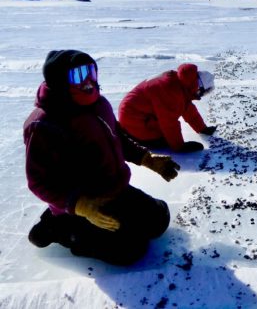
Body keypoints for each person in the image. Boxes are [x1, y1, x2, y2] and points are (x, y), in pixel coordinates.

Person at [24, 50, 181, 265]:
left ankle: (73, 221)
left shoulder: (99, 104)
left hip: (114, 189)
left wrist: (146, 159)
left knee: (158, 220)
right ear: (60, 81)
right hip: (84, 203)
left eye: (92, 72)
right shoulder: (44, 125)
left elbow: (117, 136)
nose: (89, 81)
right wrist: (80, 205)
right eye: (79, 75)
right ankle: (57, 227)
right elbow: (39, 182)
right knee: (130, 251)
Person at [118, 63, 216, 153]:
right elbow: (169, 122)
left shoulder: (180, 82)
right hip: (134, 121)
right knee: (164, 141)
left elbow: (187, 108)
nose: (201, 95)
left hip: (134, 113)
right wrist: (179, 146)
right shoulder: (171, 92)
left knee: (168, 134)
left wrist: (202, 128)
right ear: (199, 87)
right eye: (204, 92)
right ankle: (131, 137)